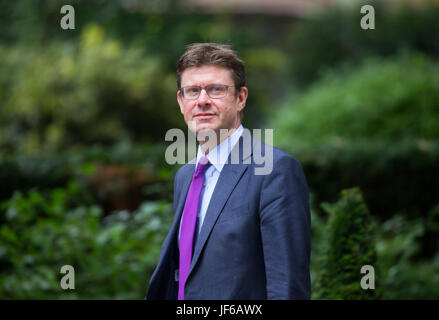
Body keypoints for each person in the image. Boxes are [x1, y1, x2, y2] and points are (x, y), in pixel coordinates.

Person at [146, 43, 311, 300]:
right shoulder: (185, 176)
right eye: (192, 91)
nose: (202, 101)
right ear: (181, 102)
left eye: (216, 90)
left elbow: (287, 286)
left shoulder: (273, 171)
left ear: (241, 98)